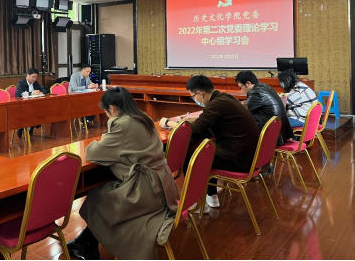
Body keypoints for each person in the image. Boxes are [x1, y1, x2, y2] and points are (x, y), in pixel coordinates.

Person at [68, 87, 178, 260]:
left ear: (112, 108)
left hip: (146, 191)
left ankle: (88, 245)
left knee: (96, 197)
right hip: (164, 184)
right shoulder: (144, 117)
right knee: (104, 192)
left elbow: (92, 153)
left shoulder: (123, 124)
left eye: (106, 112)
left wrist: (104, 135)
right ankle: (85, 242)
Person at [161, 75, 259, 209]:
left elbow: (193, 130)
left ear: (200, 94)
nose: (194, 100)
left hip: (239, 160)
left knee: (190, 159)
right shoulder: (224, 98)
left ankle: (195, 204)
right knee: (207, 150)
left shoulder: (216, 104)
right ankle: (211, 196)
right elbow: (208, 120)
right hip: (248, 155)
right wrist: (189, 120)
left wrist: (168, 122)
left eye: (193, 97)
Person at [235, 70, 293, 145]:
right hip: (280, 134)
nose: (241, 90)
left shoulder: (256, 93)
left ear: (248, 83)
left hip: (271, 137)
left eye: (240, 87)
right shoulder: (265, 87)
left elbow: (243, 112)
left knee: (235, 127)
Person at [15, 68, 47, 138]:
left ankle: (32, 126)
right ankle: (21, 127)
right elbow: (19, 93)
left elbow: (44, 90)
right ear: (28, 75)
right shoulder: (21, 83)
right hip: (22, 106)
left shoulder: (35, 82)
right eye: (33, 77)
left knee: (42, 110)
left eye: (36, 77)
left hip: (33, 105)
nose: (34, 79)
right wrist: (32, 93)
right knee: (33, 112)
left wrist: (41, 92)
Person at [69, 63, 99, 128]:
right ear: (82, 70)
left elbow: (90, 83)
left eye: (89, 72)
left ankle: (88, 120)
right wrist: (87, 87)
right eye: (87, 72)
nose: (88, 73)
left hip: (84, 97)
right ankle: (83, 121)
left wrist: (94, 85)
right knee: (86, 104)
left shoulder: (86, 77)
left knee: (95, 102)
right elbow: (75, 88)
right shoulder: (74, 76)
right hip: (74, 97)